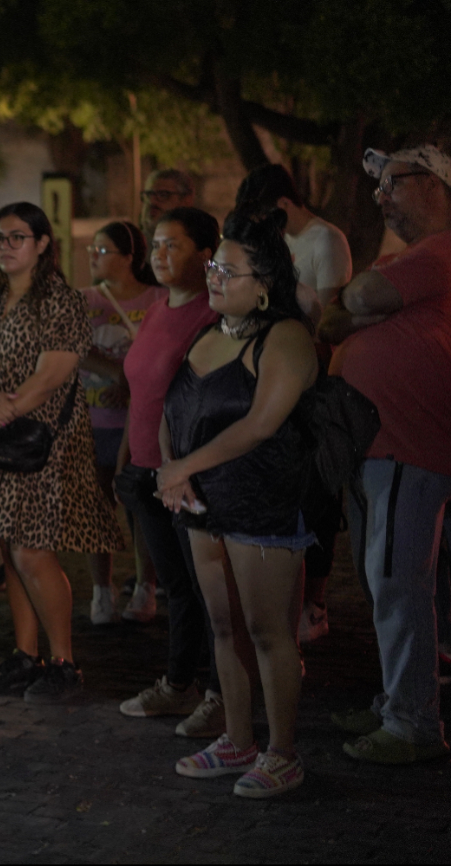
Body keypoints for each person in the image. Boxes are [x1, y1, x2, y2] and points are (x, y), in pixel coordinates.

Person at [161, 209, 319, 798]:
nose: (214, 277)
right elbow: (174, 409)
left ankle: (283, 751)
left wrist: (181, 467)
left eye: (228, 269)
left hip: (261, 501)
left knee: (267, 629)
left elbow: (260, 424)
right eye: (213, 267)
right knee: (223, 626)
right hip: (202, 504)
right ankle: (236, 737)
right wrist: (171, 471)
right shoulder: (208, 333)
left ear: (265, 283)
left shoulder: (286, 337)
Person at [0, 202, 123, 702]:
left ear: (43, 244)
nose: (5, 246)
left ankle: (65, 663)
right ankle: (26, 657)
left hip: (37, 441)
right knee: (7, 545)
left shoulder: (59, 301)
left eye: (17, 237)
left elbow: (49, 380)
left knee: (30, 548)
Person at [320, 143, 451, 765]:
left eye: (392, 183)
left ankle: (413, 721)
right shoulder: (419, 260)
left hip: (406, 442)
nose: (380, 197)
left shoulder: (439, 252)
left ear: (434, 186)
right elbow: (346, 311)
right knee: (386, 582)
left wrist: (353, 309)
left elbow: (360, 299)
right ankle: (399, 700)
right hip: (380, 444)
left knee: (398, 581)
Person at [115, 207, 224, 735]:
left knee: (206, 590)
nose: (158, 255)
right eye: (155, 245)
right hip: (144, 471)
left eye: (172, 245)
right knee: (178, 587)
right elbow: (142, 392)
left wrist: (177, 468)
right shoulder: (160, 307)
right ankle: (182, 685)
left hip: (185, 474)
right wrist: (129, 461)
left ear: (207, 255)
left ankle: (218, 693)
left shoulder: (211, 316)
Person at [235, 162, 354, 644]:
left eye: (264, 214)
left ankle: (316, 602)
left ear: (282, 205)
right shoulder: (275, 242)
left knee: (319, 495)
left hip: (313, 378)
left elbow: (328, 321)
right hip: (275, 373)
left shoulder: (325, 240)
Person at [78, 221, 164, 624]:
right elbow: (72, 350)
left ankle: (146, 586)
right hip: (92, 419)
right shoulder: (82, 300)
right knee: (96, 507)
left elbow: (168, 356)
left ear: (130, 257)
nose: (93, 257)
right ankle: (101, 591)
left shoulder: (159, 299)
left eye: (103, 250)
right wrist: (117, 374)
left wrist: (132, 384)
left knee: (141, 508)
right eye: (92, 250)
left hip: (142, 423)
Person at [140, 168, 196, 242]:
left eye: (163, 195)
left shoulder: (203, 245)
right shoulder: (134, 246)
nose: (152, 201)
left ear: (186, 200)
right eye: (149, 195)